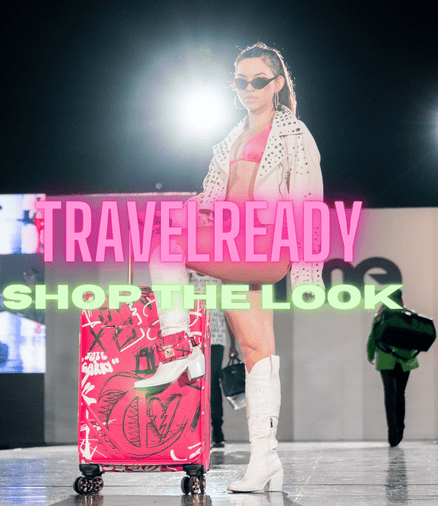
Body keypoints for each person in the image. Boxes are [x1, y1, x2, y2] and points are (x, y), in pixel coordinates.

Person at [134, 42, 324, 492]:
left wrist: (309, 274)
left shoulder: (293, 134)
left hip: (264, 245)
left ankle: (180, 349)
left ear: (277, 84)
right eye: (240, 81)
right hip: (232, 248)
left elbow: (308, 200)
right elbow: (212, 198)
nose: (248, 88)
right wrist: (190, 211)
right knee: (257, 350)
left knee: (164, 246)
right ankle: (265, 460)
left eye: (258, 80)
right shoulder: (228, 139)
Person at [188, 270, 237, 448]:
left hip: (216, 338)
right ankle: (194, 428)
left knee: (213, 382)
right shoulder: (189, 278)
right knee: (193, 381)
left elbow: (228, 313)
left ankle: (217, 428)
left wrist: (232, 343)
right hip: (194, 338)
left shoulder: (218, 280)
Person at [367, 289, 418, 447]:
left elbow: (372, 338)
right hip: (405, 360)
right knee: (400, 394)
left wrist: (370, 356)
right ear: (400, 299)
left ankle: (392, 433)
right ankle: (400, 429)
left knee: (389, 395)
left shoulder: (380, 317)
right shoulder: (408, 315)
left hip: (385, 360)